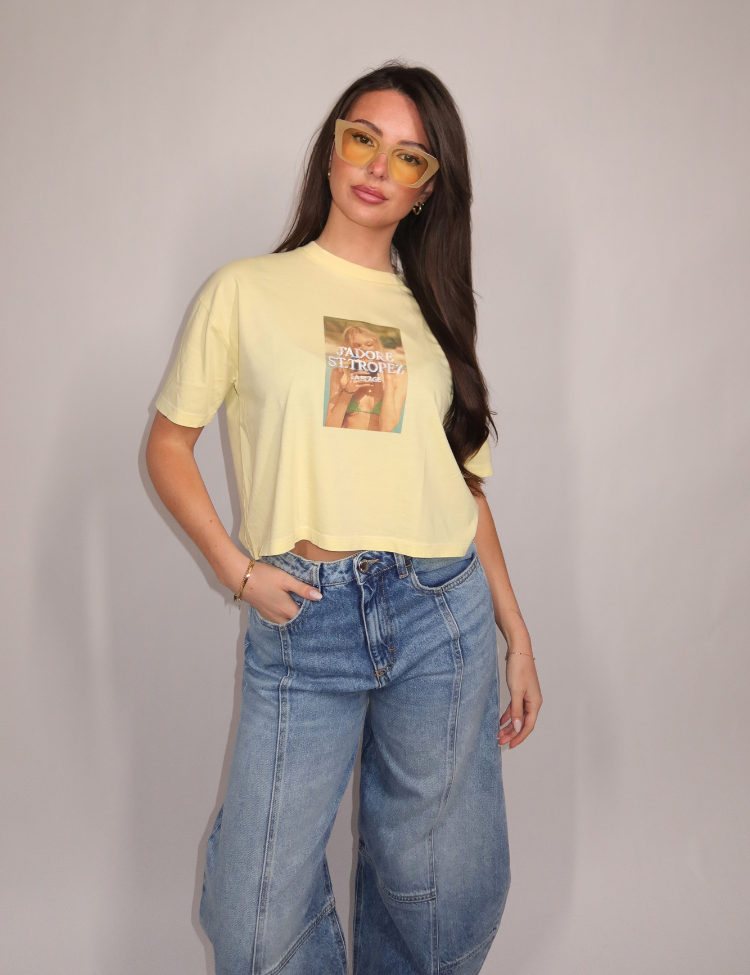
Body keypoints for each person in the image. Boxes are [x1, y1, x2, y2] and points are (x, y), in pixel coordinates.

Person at [146, 60, 542, 975]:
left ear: (427, 189)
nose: (377, 166)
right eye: (363, 138)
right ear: (331, 148)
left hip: (439, 612)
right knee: (251, 916)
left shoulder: (434, 315)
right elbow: (168, 444)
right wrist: (238, 569)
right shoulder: (245, 290)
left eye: (409, 157)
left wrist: (516, 632)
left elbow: (463, 488)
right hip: (306, 614)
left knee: (436, 886)